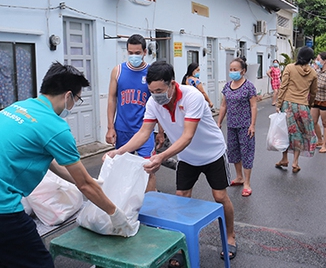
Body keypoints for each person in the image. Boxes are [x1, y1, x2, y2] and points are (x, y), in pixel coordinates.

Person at [0, 62, 134, 268]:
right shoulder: (55, 126)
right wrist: (115, 214)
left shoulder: (19, 107)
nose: (73, 105)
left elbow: (51, 160)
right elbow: (85, 186)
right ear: (68, 95)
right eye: (77, 99)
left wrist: (87, 181)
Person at [105, 61, 237, 263]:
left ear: (172, 84)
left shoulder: (192, 96)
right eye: (151, 91)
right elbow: (143, 133)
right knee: (181, 197)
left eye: (159, 90)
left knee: (220, 196)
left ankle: (230, 236)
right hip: (187, 157)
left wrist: (160, 157)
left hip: (212, 153)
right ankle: (179, 246)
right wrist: (119, 152)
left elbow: (187, 137)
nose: (155, 95)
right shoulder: (153, 103)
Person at [105, 34, 164, 189]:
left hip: (144, 130)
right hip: (122, 129)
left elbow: (159, 104)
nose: (133, 56)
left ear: (145, 52)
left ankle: (151, 204)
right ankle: (126, 205)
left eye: (137, 53)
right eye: (130, 52)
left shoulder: (152, 73)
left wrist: (161, 131)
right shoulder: (117, 71)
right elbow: (111, 99)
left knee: (148, 170)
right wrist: (110, 127)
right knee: (121, 170)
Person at [217, 57, 257, 197]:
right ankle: (239, 177)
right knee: (233, 152)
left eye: (235, 70)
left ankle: (247, 182)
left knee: (246, 152)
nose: (232, 72)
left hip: (245, 125)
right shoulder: (227, 86)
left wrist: (252, 124)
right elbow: (223, 105)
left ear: (243, 71)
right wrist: (219, 122)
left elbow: (253, 105)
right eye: (231, 69)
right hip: (232, 125)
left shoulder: (248, 86)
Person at [275, 47, 318, 173]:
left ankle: (284, 158)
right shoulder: (313, 73)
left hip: (288, 105)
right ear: (310, 59)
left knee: (285, 132)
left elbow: (283, 87)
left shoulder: (289, 68)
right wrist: (308, 105)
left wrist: (278, 104)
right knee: (299, 134)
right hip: (302, 106)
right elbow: (313, 92)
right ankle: (295, 162)